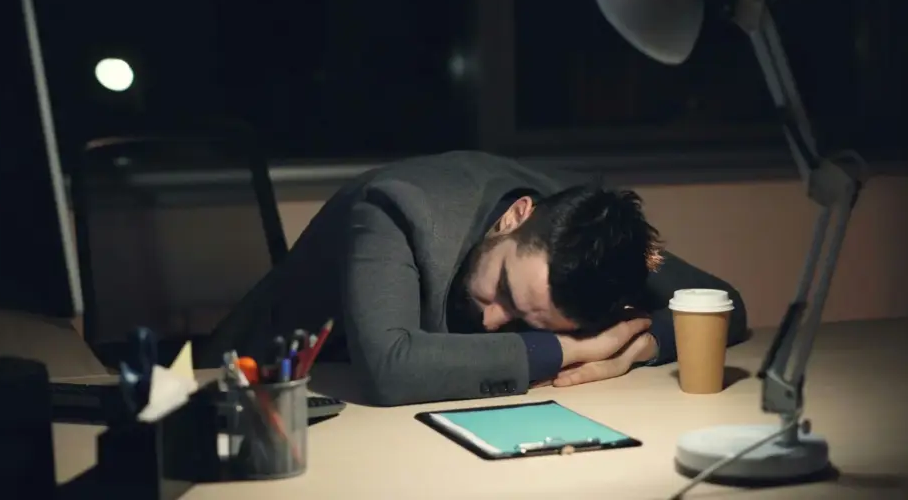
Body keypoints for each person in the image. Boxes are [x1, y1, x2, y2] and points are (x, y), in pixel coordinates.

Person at [202, 151, 748, 406]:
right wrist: (572, 349)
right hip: (256, 398)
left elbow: (725, 303)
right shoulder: (396, 207)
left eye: (532, 322)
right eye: (506, 292)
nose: (492, 322)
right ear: (516, 218)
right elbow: (390, 369)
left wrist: (639, 346)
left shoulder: (588, 233)